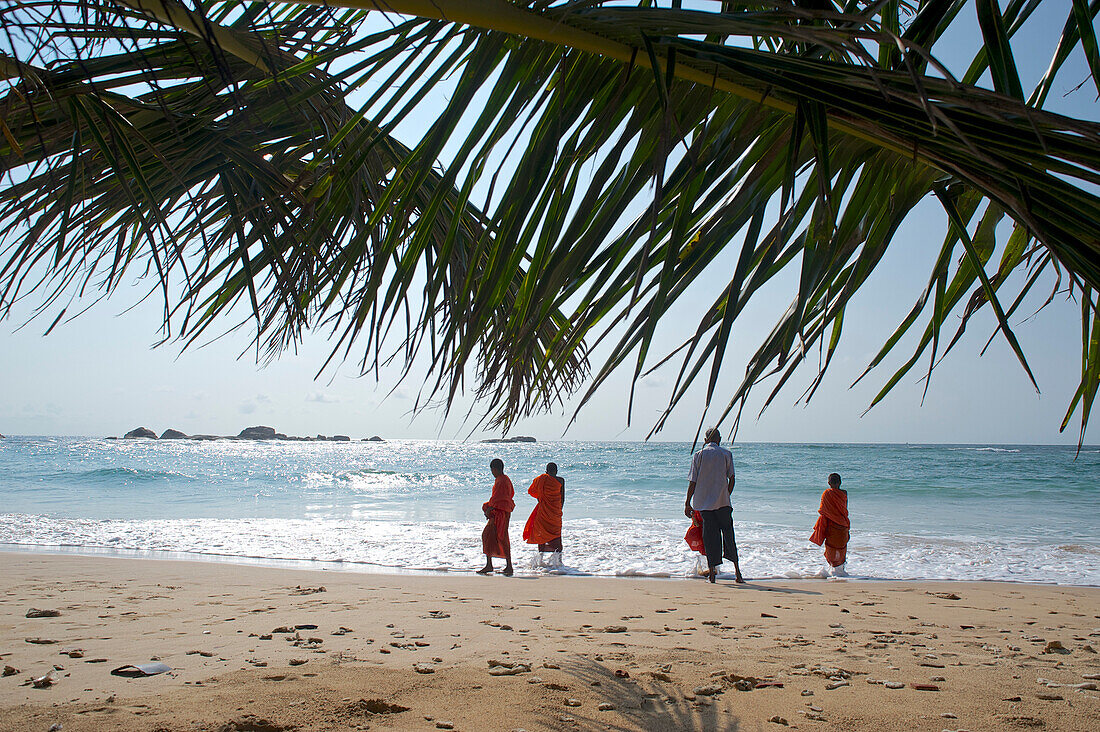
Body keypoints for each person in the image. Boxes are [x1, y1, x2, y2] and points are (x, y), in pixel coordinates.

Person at [685, 427, 744, 584]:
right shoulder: (726, 454)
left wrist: (687, 502)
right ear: (719, 439)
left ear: (705, 440)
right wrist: (726, 494)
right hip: (723, 503)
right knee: (729, 536)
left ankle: (712, 574)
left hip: (705, 505)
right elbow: (732, 479)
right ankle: (738, 573)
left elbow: (693, 481)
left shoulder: (699, 455)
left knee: (710, 538)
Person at [478, 458, 514, 576]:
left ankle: (498, 565)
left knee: (493, 536)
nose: (492, 473)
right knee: (495, 536)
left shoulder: (501, 481)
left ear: (495, 469)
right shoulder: (505, 479)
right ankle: (501, 565)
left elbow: (499, 498)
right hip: (502, 511)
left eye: (492, 470)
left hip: (500, 513)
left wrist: (489, 508)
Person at [522, 462, 565, 561]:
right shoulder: (561, 480)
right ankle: (558, 561)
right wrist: (558, 510)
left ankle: (540, 559)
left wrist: (542, 502)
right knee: (556, 534)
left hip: (543, 511)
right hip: (556, 512)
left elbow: (532, 491)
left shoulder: (541, 479)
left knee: (541, 533)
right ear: (556, 471)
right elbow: (562, 498)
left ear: (546, 472)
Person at [809, 472, 849, 572]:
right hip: (843, 525)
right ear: (840, 482)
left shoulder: (826, 493)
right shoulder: (844, 493)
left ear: (828, 483)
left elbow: (824, 511)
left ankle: (833, 571)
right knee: (842, 548)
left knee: (831, 549)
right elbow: (844, 510)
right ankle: (841, 571)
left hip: (831, 526)